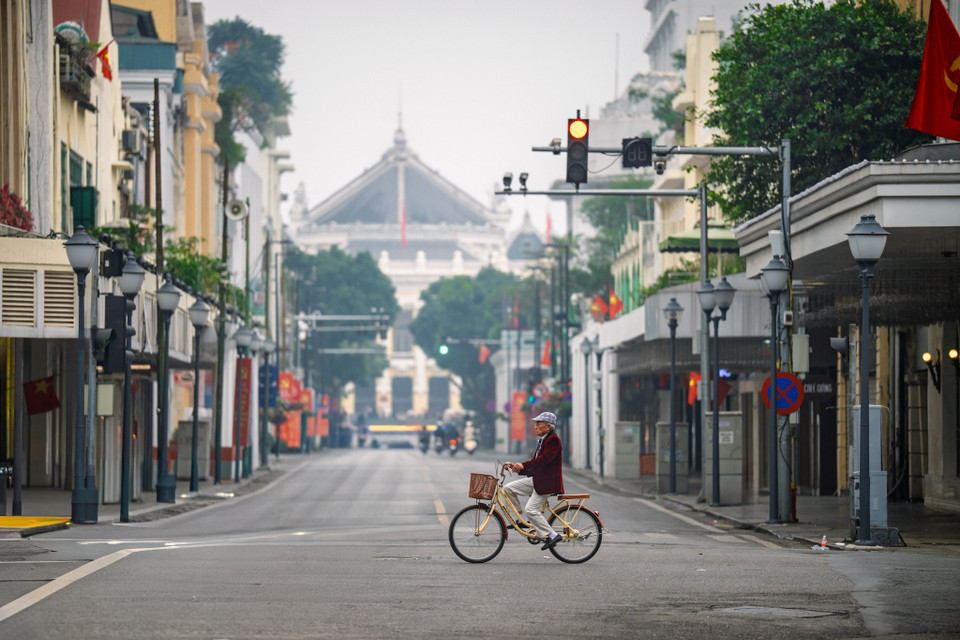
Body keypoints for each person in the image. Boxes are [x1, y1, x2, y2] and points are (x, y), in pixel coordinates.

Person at [503, 411, 564, 550]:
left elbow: (543, 461)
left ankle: (552, 535)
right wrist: (520, 469)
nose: (535, 427)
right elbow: (536, 463)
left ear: (548, 427)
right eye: (535, 424)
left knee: (531, 510)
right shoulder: (543, 440)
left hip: (547, 483)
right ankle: (521, 520)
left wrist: (524, 465)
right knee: (508, 489)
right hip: (537, 480)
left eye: (539, 424)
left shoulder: (553, 440)